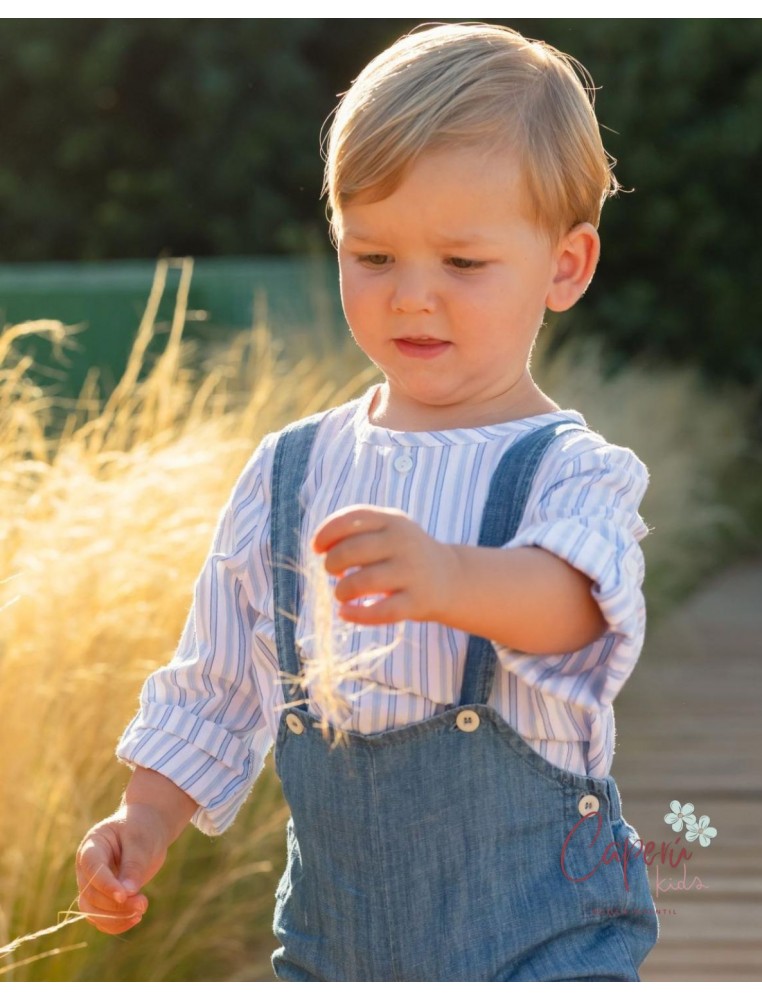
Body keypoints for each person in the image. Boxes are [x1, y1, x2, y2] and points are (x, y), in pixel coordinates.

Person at [76, 22, 659, 981]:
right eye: (373, 256)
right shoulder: (292, 470)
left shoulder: (570, 467)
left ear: (565, 266)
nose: (411, 299)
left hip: (543, 939)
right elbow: (220, 680)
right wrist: (142, 820)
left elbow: (576, 609)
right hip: (338, 949)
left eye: (462, 265)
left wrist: (450, 575)